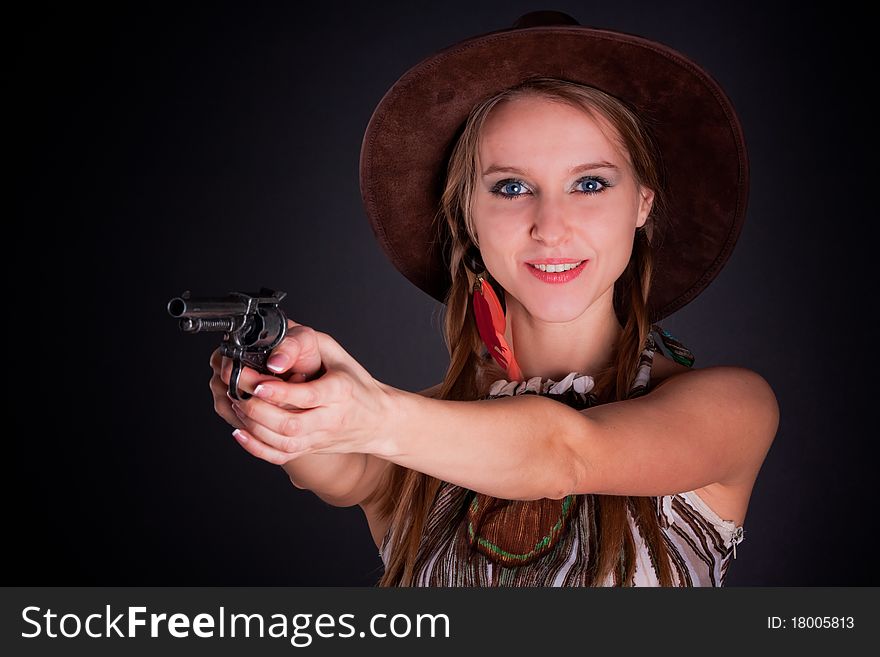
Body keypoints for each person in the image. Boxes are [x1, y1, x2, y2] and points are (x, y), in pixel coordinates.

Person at [208, 11, 779, 586]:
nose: (551, 228)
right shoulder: (413, 438)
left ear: (641, 206)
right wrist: (287, 395)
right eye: (512, 187)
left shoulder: (730, 408)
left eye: (589, 184)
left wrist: (367, 413)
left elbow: (564, 453)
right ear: (468, 217)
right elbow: (334, 467)